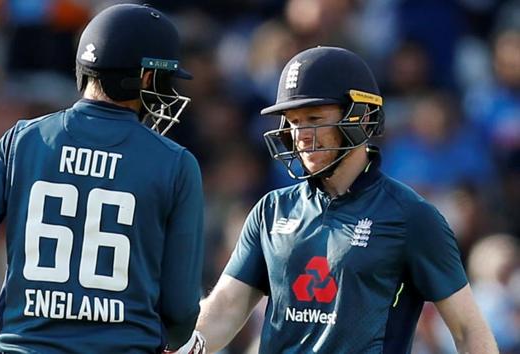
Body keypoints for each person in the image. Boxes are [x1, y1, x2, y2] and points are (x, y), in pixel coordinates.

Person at [0, 4, 205, 354]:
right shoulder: (176, 163)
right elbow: (181, 310)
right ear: (146, 77)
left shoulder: (23, 140)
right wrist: (176, 342)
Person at [195, 46, 498, 353]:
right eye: (293, 121)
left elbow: (468, 330)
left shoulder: (411, 217)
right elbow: (225, 308)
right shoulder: (271, 211)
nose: (300, 135)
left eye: (314, 118)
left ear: (361, 117)